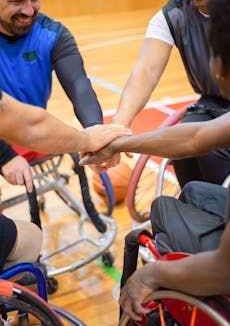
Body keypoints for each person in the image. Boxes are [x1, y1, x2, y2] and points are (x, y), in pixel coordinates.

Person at [81, 0, 230, 321]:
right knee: (193, 181)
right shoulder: (174, 12)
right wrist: (117, 134)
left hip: (227, 268)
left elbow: (228, 269)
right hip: (212, 118)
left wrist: (152, 275)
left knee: (163, 211)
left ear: (220, 64)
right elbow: (191, 134)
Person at [109, 0, 230, 188]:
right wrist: (118, 126)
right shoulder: (173, 13)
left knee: (210, 148)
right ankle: (201, 211)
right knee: (182, 147)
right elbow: (146, 71)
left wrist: (118, 145)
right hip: (212, 103)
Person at [0, 0, 118, 193]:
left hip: (34, 132)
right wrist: (4, 156)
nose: (28, 11)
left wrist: (96, 132)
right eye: (17, 1)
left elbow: (79, 85)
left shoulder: (53, 34)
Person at [0, 89, 131, 273]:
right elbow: (30, 125)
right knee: (32, 238)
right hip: (18, 135)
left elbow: (77, 82)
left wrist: (94, 127)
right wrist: (89, 140)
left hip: (24, 132)